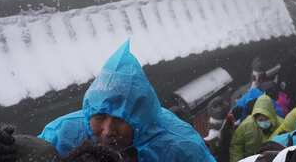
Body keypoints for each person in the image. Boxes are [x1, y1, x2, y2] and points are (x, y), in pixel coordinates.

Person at [38, 40, 215, 162]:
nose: (108, 131)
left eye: (120, 120)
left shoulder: (180, 146)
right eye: (99, 117)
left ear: (141, 118)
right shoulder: (62, 133)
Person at [229, 94, 282, 162]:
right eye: (260, 120)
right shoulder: (246, 125)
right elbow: (236, 146)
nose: (263, 122)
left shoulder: (281, 125)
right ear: (255, 118)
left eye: (266, 119)